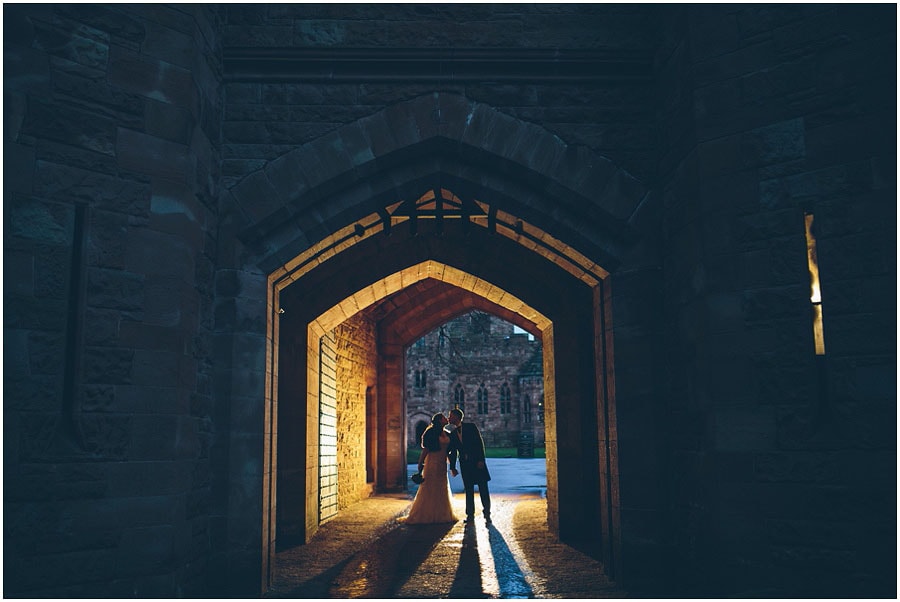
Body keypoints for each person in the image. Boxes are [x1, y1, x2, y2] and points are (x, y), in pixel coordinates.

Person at [405, 413, 458, 524]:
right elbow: (426, 449)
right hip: (432, 462)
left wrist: (452, 465)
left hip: (442, 464)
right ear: (439, 420)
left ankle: (441, 513)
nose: (446, 419)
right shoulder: (431, 432)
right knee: (430, 487)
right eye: (444, 418)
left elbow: (448, 451)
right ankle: (427, 514)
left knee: (441, 488)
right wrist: (420, 463)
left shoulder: (447, 433)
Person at [447, 408, 492, 524]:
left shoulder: (471, 427)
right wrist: (452, 467)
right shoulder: (452, 433)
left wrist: (481, 459)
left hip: (477, 462)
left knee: (483, 488)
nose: (448, 418)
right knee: (468, 489)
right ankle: (470, 515)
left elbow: (479, 443)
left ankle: (487, 512)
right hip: (465, 465)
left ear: (457, 417)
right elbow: (453, 451)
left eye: (450, 416)